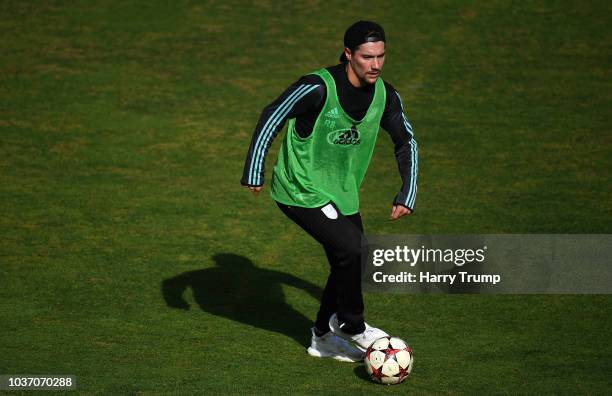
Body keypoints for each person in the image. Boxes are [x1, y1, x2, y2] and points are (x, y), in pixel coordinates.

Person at [241, 20, 418, 362]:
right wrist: (254, 168)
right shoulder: (317, 87)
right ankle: (352, 326)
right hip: (300, 189)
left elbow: (406, 141)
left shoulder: (386, 95)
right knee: (351, 249)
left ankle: (322, 337)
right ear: (349, 54)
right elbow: (271, 115)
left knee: (352, 259)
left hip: (341, 192)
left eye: (381, 56)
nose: (376, 65)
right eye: (367, 57)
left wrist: (406, 191)